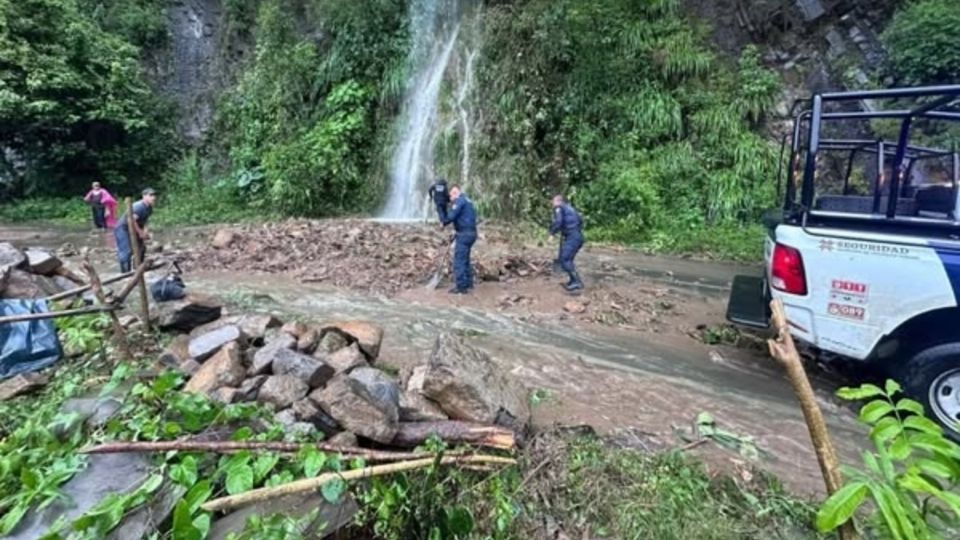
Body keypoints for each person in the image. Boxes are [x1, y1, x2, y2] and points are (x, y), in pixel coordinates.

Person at [437, 185, 477, 294]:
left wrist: (443, 222)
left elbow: (451, 216)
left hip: (465, 235)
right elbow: (466, 218)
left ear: (455, 193)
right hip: (471, 233)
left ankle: (461, 287)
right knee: (465, 259)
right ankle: (469, 283)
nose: (450, 198)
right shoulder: (468, 201)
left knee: (459, 261)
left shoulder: (460, 202)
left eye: (450, 195)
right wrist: (456, 231)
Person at [114, 188, 158, 272]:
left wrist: (145, 232)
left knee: (141, 248)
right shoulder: (139, 206)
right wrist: (140, 233)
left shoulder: (149, 208)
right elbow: (131, 220)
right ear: (144, 196)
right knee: (126, 251)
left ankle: (138, 269)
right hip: (123, 228)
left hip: (136, 227)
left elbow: (145, 221)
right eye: (151, 195)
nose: (153, 197)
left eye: (154, 195)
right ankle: (125, 274)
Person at [549, 194, 584, 291]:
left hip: (572, 237)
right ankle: (573, 281)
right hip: (577, 236)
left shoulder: (559, 208)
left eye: (553, 201)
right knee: (568, 259)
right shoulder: (571, 208)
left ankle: (577, 282)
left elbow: (558, 222)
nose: (552, 203)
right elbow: (581, 221)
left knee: (564, 260)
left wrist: (552, 233)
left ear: (558, 201)